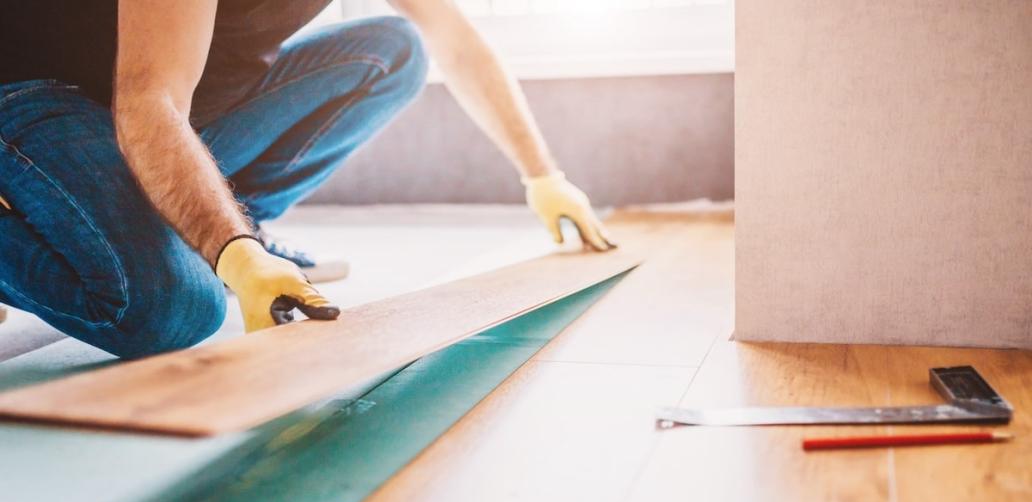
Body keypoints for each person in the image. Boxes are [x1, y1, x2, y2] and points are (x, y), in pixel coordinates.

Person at [0, 0, 615, 358]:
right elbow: (147, 100)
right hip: (41, 93)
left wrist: (543, 175)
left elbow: (455, 40)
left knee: (392, 49)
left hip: (174, 104)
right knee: (171, 309)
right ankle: (214, 238)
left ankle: (232, 225)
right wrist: (233, 254)